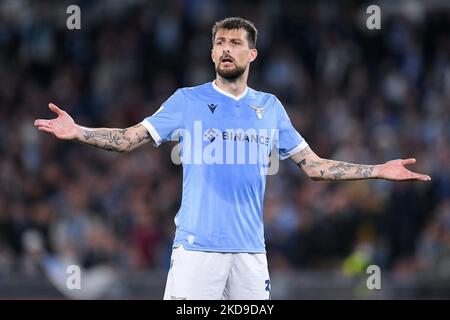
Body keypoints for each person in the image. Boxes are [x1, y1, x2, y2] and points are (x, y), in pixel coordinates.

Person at [34, 17, 431, 300]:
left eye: (235, 42)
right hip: (196, 250)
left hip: (249, 253)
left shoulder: (270, 108)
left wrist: (379, 170)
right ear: (211, 53)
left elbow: (314, 166)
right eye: (220, 43)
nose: (226, 49)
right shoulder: (186, 101)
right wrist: (79, 132)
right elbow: (127, 139)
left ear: (252, 54)